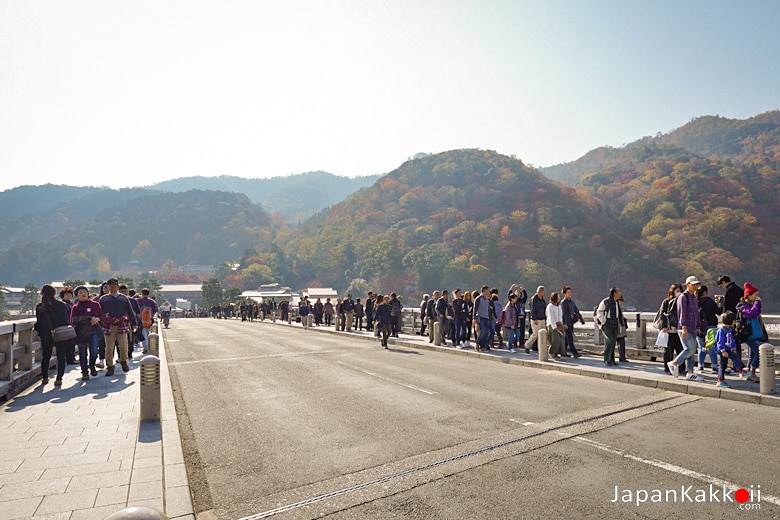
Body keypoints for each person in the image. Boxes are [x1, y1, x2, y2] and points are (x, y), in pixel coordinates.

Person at [34, 284, 72, 386]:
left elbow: (39, 323)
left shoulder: (40, 307)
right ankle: (59, 378)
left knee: (46, 356)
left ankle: (45, 378)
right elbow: (66, 320)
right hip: (60, 333)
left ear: (42, 293)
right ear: (54, 293)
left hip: (46, 335)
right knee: (61, 356)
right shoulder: (61, 305)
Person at [99, 278, 137, 376]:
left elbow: (130, 310)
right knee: (109, 347)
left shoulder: (124, 298)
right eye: (110, 285)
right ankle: (110, 366)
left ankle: (123, 361)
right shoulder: (103, 299)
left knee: (124, 345)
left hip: (122, 324)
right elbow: (100, 313)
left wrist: (134, 323)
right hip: (108, 325)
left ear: (117, 286)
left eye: (114, 285)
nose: (112, 286)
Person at [667, 276, 703, 381]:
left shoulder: (693, 297)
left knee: (691, 351)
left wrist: (698, 326)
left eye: (697, 284)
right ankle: (674, 363)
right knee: (690, 350)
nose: (696, 286)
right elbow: (681, 314)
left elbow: (696, 313)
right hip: (685, 327)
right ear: (687, 285)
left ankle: (690, 372)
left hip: (693, 327)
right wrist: (683, 327)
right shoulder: (683, 297)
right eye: (694, 284)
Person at [70, 286, 102, 380]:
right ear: (77, 296)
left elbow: (102, 315)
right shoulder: (76, 307)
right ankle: (84, 372)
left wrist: (98, 319)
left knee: (95, 351)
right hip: (81, 333)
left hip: (94, 331)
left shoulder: (96, 304)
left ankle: (92, 365)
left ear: (88, 293)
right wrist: (88, 318)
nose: (83, 294)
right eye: (80, 292)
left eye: (84, 292)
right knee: (83, 353)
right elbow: (73, 319)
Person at [657, 283, 685, 376]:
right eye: (677, 291)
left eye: (680, 291)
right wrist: (664, 326)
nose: (678, 293)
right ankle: (667, 368)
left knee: (681, 350)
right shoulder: (666, 301)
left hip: (679, 330)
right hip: (669, 330)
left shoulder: (682, 301)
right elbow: (662, 314)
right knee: (668, 350)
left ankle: (681, 368)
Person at [738, 282, 764, 383]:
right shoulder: (742, 306)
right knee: (759, 351)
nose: (757, 297)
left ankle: (748, 374)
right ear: (748, 295)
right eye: (755, 295)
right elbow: (752, 313)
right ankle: (752, 373)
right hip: (748, 333)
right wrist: (758, 303)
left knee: (752, 354)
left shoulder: (749, 304)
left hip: (752, 333)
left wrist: (756, 303)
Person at [713, 311, 746, 387]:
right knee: (735, 357)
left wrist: (733, 348)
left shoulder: (729, 329)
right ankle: (741, 371)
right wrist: (723, 350)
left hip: (727, 348)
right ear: (730, 320)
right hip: (723, 349)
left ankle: (720, 380)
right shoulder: (721, 330)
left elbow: (732, 340)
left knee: (723, 364)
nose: (735, 322)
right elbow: (720, 341)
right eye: (734, 320)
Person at [696, 285, 721, 374]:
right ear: (705, 292)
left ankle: (700, 366)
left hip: (699, 327)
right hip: (711, 326)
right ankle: (714, 366)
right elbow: (719, 312)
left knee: (701, 347)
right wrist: (719, 303)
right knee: (711, 347)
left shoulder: (696, 302)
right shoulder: (709, 301)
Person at [596, 287, 623, 366]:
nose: (620, 293)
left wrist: (621, 323)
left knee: (613, 342)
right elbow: (599, 312)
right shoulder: (605, 301)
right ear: (614, 293)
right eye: (619, 292)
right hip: (607, 324)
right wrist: (604, 321)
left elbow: (619, 314)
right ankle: (606, 359)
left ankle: (612, 360)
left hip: (615, 323)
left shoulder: (616, 302)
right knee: (609, 341)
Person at [560, 286, 584, 358]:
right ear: (564, 294)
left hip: (571, 322)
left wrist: (581, 319)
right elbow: (562, 314)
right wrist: (564, 323)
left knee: (567, 338)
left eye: (571, 292)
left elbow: (576, 311)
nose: (570, 294)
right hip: (566, 323)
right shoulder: (563, 303)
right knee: (570, 338)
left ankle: (563, 352)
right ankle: (575, 353)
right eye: (568, 292)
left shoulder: (572, 302)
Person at [473, 286, 496, 352]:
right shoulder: (478, 299)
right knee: (483, 332)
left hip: (487, 318)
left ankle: (481, 345)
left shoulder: (487, 299)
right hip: (481, 317)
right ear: (485, 291)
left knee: (486, 332)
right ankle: (480, 345)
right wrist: (474, 318)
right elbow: (475, 309)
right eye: (488, 290)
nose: (489, 292)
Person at [59, 287, 78, 364]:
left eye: (70, 294)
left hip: (72, 326)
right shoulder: (62, 305)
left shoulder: (71, 304)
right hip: (66, 326)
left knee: (72, 343)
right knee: (68, 343)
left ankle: (71, 358)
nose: (68, 296)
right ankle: (69, 359)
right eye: (66, 294)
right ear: (62, 295)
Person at [136, 288, 158, 354]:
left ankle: (145, 348)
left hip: (140, 320)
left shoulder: (138, 301)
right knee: (147, 332)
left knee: (143, 333)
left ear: (142, 293)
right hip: (149, 320)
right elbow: (155, 310)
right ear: (148, 294)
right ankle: (147, 346)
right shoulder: (152, 302)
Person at [526, 286, 547, 353]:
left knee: (543, 334)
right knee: (535, 334)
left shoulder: (542, 299)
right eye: (544, 291)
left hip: (542, 318)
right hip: (536, 319)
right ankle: (527, 345)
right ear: (540, 292)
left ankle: (541, 348)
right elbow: (533, 309)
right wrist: (534, 318)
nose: (544, 293)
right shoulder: (534, 299)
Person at [507, 284, 528, 351]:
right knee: (515, 332)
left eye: (519, 293)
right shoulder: (513, 302)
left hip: (521, 317)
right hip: (515, 318)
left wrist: (523, 289)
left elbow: (526, 297)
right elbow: (509, 297)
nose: (518, 294)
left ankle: (521, 343)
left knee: (521, 331)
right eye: (516, 293)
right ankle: (513, 343)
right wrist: (511, 289)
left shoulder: (522, 301)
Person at [545, 291, 565, 360]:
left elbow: (560, 316)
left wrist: (561, 324)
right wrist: (554, 326)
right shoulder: (550, 306)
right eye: (558, 296)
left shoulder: (559, 306)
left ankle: (558, 353)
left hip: (559, 324)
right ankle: (552, 353)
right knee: (555, 340)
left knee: (560, 339)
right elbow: (551, 317)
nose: (559, 297)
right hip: (552, 325)